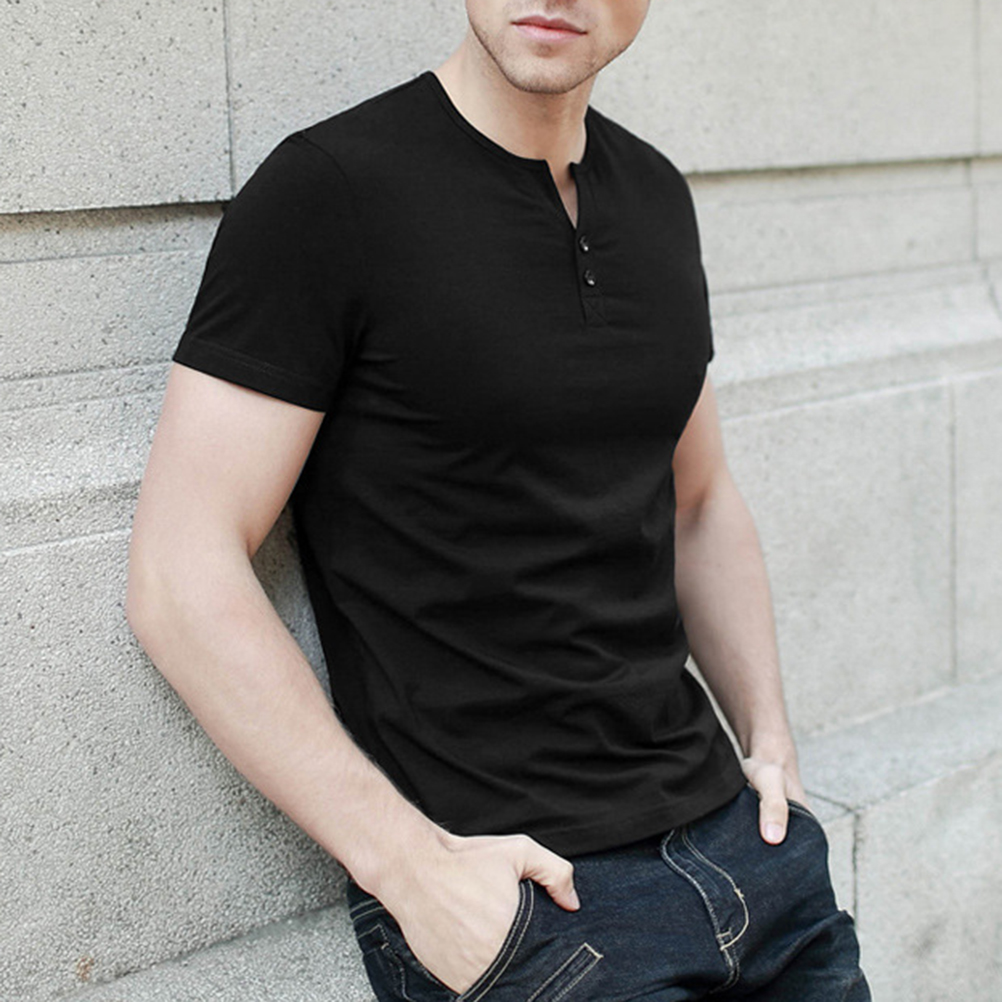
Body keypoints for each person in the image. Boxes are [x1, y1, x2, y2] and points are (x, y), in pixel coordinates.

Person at [126, 2, 871, 999]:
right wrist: (408, 869)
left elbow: (697, 500)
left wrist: (769, 740)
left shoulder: (654, 192)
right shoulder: (331, 191)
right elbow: (178, 572)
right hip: (531, 908)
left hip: (751, 863)